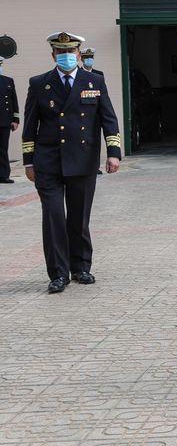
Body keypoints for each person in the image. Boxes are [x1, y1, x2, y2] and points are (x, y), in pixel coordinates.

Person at [21, 32, 121, 293]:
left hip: (83, 160)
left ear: (78, 54)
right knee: (53, 217)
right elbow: (30, 126)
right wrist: (28, 162)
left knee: (79, 217)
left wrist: (114, 152)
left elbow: (108, 118)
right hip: (48, 162)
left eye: (70, 52)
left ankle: (81, 267)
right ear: (53, 55)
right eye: (60, 52)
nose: (65, 56)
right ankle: (58, 274)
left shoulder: (94, 81)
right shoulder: (39, 83)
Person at [0, 56, 18, 183]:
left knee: (2, 148)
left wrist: (15, 119)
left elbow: (13, 101)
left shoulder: (8, 81)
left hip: (4, 121)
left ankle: (3, 175)